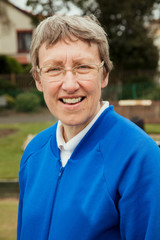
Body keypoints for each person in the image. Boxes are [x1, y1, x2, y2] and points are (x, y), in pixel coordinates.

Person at [17, 15, 160, 240]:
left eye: (83, 67)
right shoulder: (33, 152)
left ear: (104, 74)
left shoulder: (140, 157)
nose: (70, 84)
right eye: (54, 69)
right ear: (38, 79)